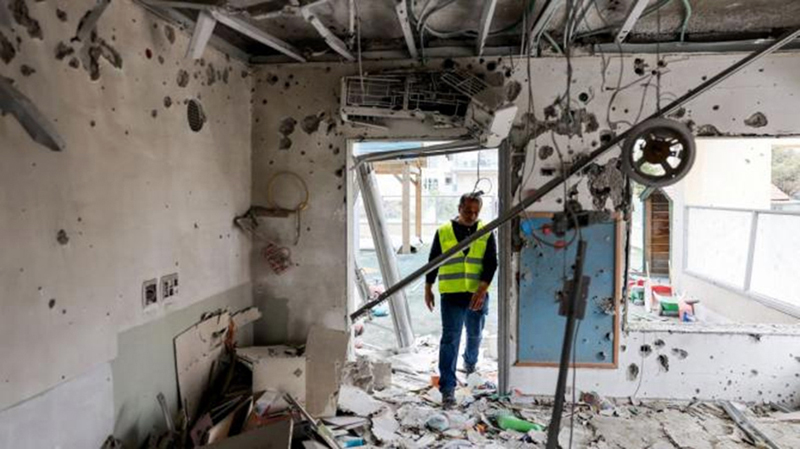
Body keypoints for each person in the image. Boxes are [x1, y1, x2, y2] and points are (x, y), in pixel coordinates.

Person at [424, 192, 497, 409]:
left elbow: (491, 263)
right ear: (459, 208)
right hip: (452, 294)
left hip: (477, 293)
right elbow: (433, 261)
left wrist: (481, 290)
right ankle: (447, 388)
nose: (472, 216)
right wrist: (428, 287)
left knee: (475, 334)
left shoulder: (485, 232)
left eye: (476, 212)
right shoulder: (444, 232)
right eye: (467, 211)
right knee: (450, 339)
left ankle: (470, 363)